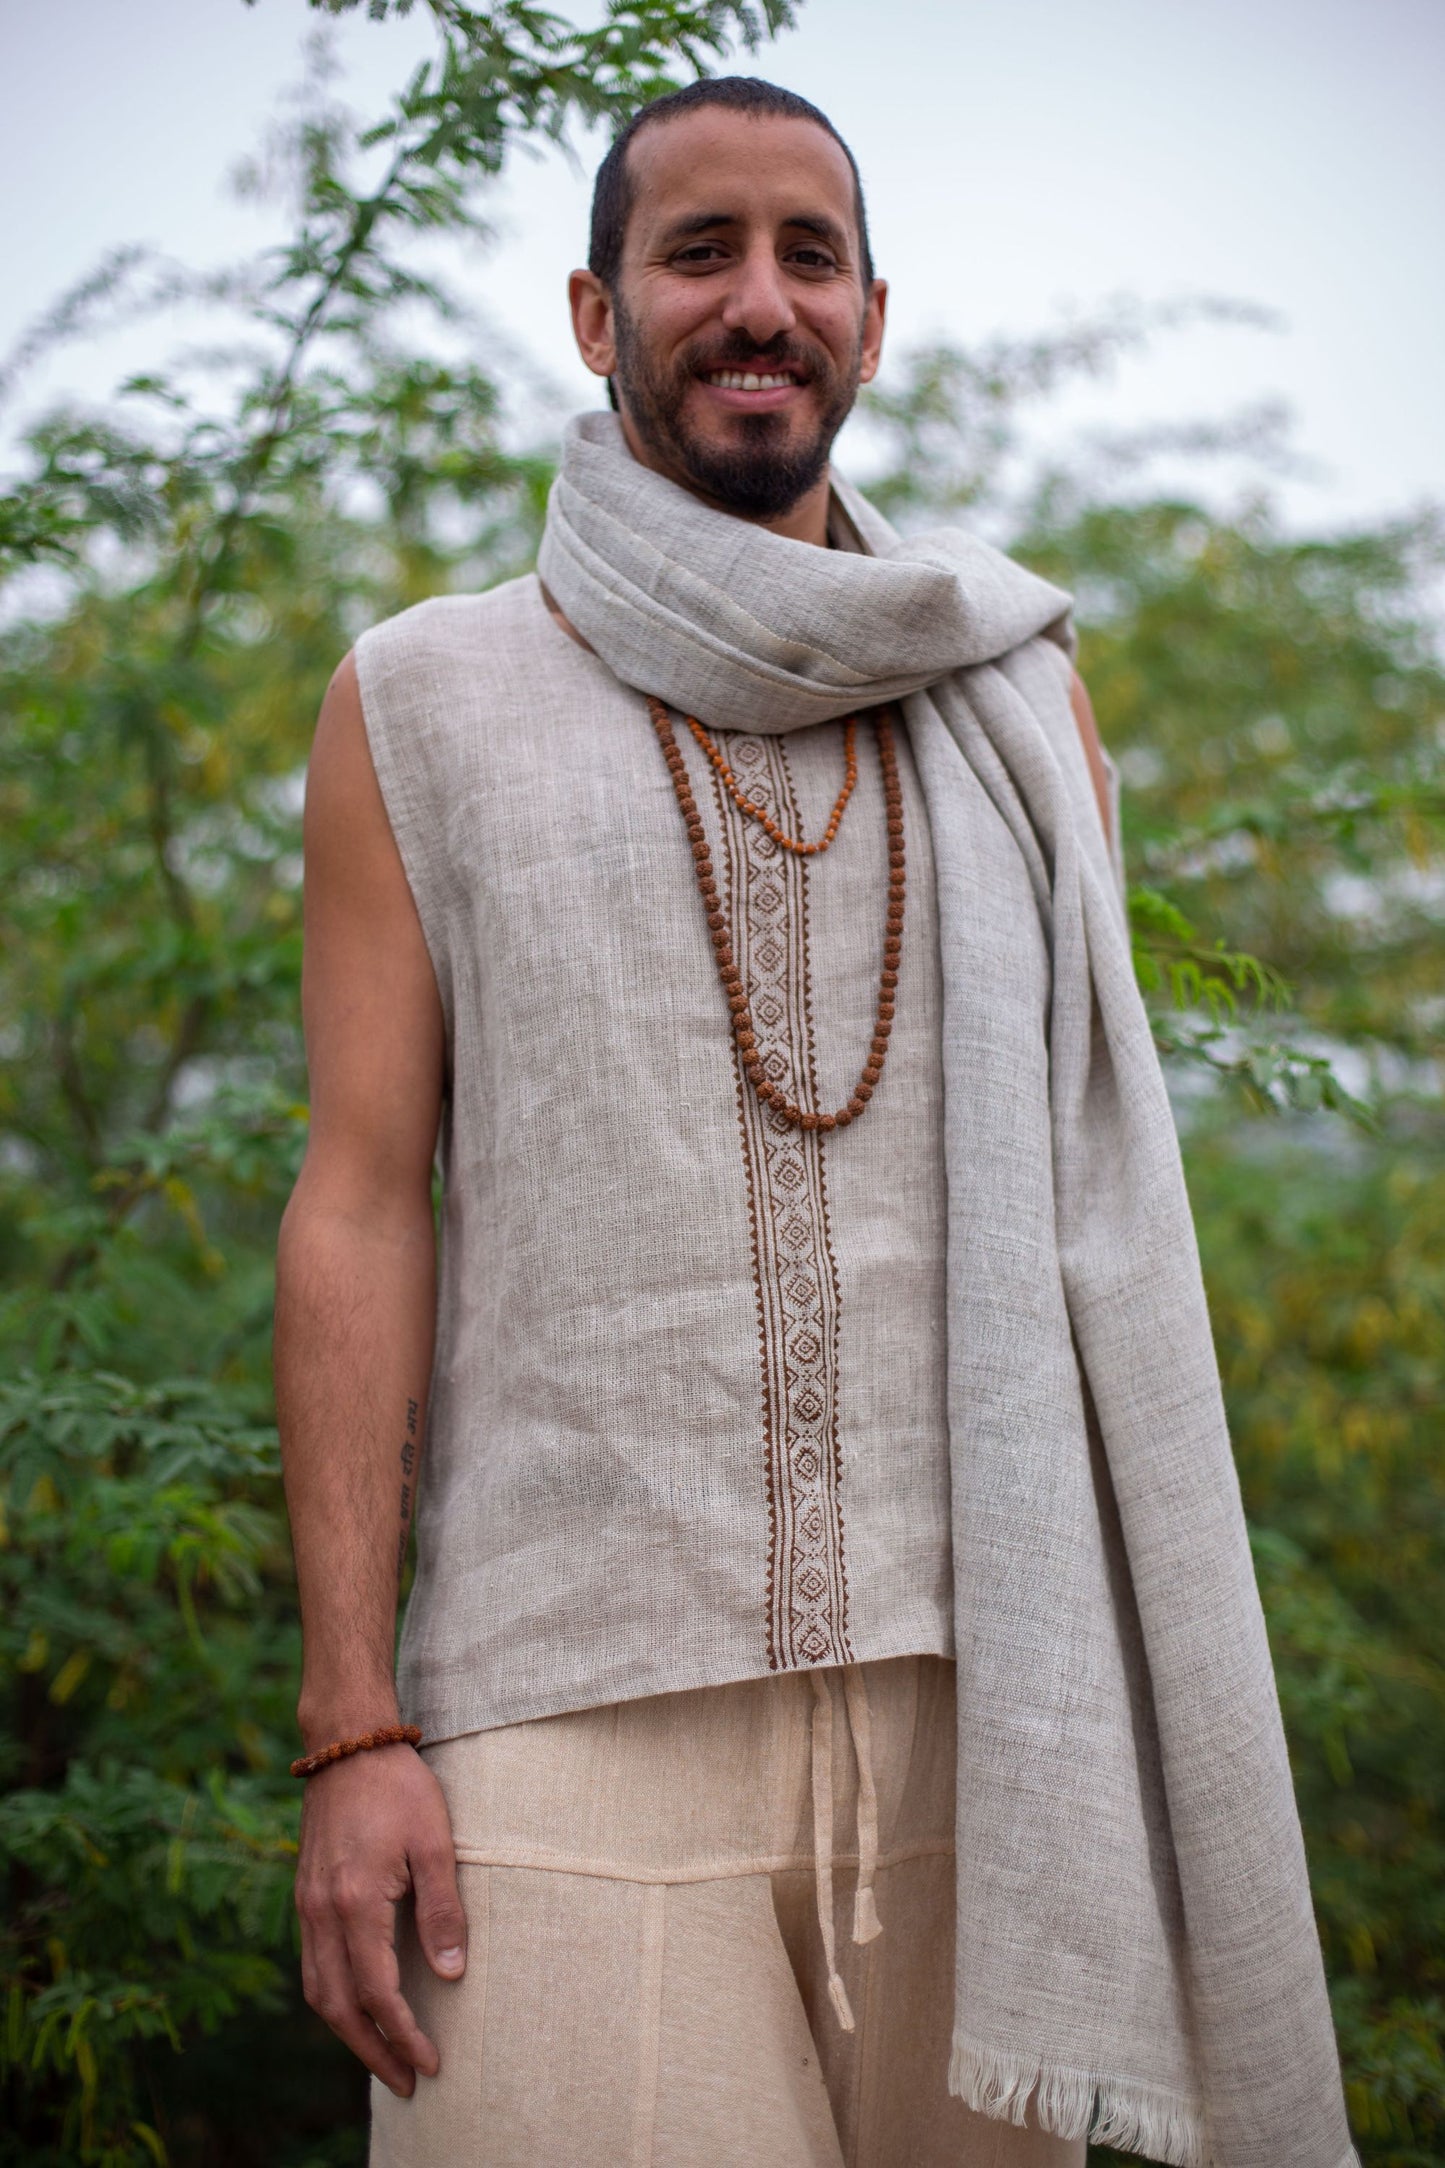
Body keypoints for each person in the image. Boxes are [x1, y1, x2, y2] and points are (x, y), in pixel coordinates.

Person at [275, 77, 1357, 2168]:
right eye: (699, 252)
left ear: (872, 316)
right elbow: (359, 1202)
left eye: (809, 257)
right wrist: (349, 1724)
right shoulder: (420, 698)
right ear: (597, 312)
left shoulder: (1017, 700)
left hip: (994, 1718)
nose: (759, 302)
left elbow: (1086, 1200)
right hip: (563, 1700)